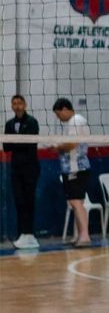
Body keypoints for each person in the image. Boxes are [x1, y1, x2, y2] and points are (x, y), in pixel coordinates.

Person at [51, 98, 92, 247]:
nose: (58, 118)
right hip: (72, 168)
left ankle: (85, 236)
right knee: (76, 202)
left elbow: (72, 144)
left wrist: (57, 147)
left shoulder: (76, 120)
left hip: (76, 168)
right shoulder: (74, 121)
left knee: (76, 202)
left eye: (58, 114)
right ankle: (79, 235)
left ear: (64, 109)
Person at [3, 95, 40, 250]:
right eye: (14, 103)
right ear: (12, 106)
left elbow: (30, 145)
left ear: (25, 105)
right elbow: (6, 147)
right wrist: (18, 142)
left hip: (30, 167)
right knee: (19, 201)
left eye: (19, 103)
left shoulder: (32, 122)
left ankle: (29, 234)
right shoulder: (9, 124)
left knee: (29, 200)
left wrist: (15, 142)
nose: (17, 106)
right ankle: (21, 235)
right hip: (16, 168)